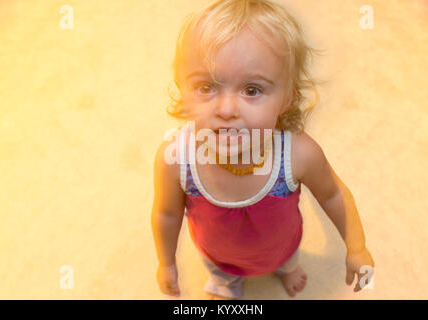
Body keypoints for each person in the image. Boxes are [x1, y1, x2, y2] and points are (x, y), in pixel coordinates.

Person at [151, 0, 374, 300]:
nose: (227, 109)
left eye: (252, 90)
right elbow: (166, 213)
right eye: (206, 87)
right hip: (217, 256)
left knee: (287, 261)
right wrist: (166, 263)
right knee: (221, 274)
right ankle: (226, 285)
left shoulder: (297, 155)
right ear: (183, 89)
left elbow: (334, 194)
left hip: (283, 248)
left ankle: (286, 270)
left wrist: (356, 247)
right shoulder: (175, 160)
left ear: (287, 99)